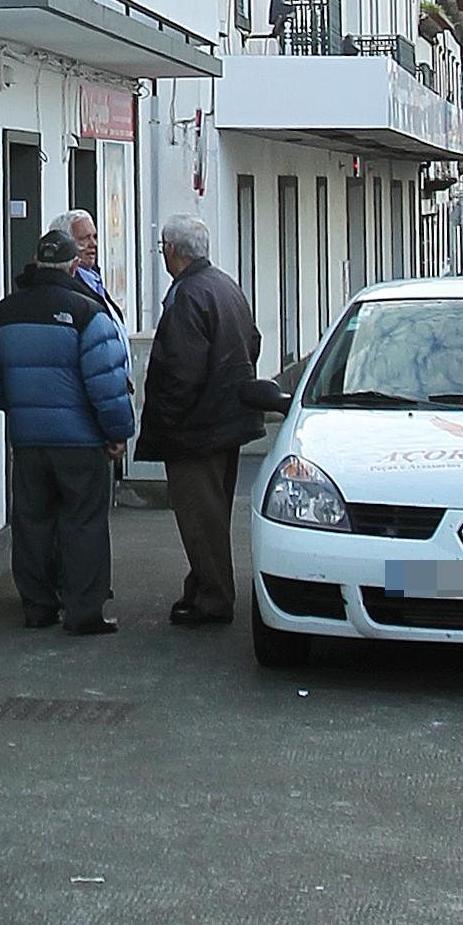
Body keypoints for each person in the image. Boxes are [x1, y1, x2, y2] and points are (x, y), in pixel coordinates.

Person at [0, 218, 135, 636]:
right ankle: (84, 612)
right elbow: (108, 384)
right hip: (81, 444)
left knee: (32, 522)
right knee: (82, 524)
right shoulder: (88, 313)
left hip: (28, 442)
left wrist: (23, 411)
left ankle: (37, 607)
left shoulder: (4, 312)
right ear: (72, 268)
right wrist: (117, 432)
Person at [137, 212, 260, 630]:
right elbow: (253, 341)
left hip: (197, 428)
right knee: (213, 512)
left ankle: (213, 597)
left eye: (162, 249)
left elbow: (179, 370)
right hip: (227, 420)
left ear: (172, 250)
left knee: (198, 515)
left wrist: (165, 424)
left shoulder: (188, 295)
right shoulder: (225, 286)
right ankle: (204, 586)